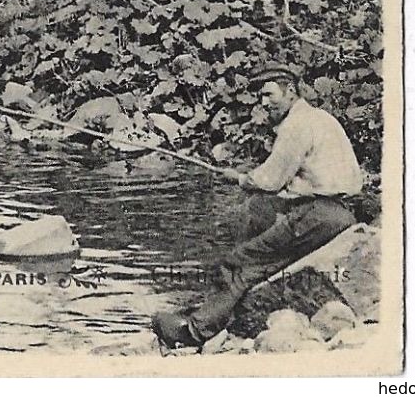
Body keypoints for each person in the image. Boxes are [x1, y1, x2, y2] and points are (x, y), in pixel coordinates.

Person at [151, 63, 365, 349]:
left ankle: (196, 331)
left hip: (316, 216)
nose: (264, 104)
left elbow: (270, 180)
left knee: (238, 263)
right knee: (254, 225)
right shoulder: (320, 118)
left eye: (268, 95)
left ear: (290, 91)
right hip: (340, 213)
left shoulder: (296, 125)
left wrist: (239, 178)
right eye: (261, 98)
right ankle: (215, 309)